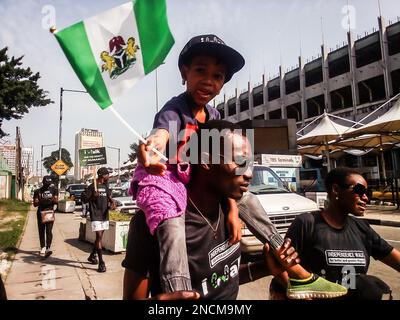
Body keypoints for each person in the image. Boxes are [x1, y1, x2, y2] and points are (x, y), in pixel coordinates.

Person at [132, 34, 347, 298]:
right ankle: (179, 290)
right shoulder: (174, 110)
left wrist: (232, 208)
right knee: (172, 223)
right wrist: (153, 147)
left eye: (218, 76)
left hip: (200, 180)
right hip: (170, 179)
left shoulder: (215, 117)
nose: (209, 81)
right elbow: (162, 132)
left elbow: (227, 162)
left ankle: (294, 268)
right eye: (201, 70)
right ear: (184, 72)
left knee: (250, 200)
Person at [123, 120, 347, 299]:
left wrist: (268, 268)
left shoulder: (231, 209)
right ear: (205, 161)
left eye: (250, 163)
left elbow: (217, 279)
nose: (249, 173)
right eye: (240, 162)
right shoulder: (152, 224)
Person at [271, 167, 400, 300]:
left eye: (368, 192)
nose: (365, 197)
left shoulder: (362, 228)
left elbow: (394, 258)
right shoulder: (306, 223)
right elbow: (282, 268)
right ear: (336, 190)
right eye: (359, 190)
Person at [85, 167, 115, 273]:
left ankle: (92, 255)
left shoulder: (105, 186)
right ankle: (101, 263)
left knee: (99, 238)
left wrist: (112, 202)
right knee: (98, 237)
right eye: (107, 175)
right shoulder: (92, 186)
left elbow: (108, 197)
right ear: (103, 175)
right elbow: (84, 199)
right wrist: (93, 196)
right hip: (96, 215)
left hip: (104, 215)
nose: (109, 176)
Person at [33, 176, 58, 258]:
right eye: (46, 184)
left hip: (50, 212)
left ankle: (48, 247)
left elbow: (56, 201)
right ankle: (43, 247)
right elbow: (35, 203)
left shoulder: (54, 190)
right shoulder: (38, 191)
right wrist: (45, 200)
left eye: (49, 184)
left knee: (49, 231)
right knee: (41, 231)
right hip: (41, 213)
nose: (47, 186)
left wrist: (45, 200)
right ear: (43, 183)